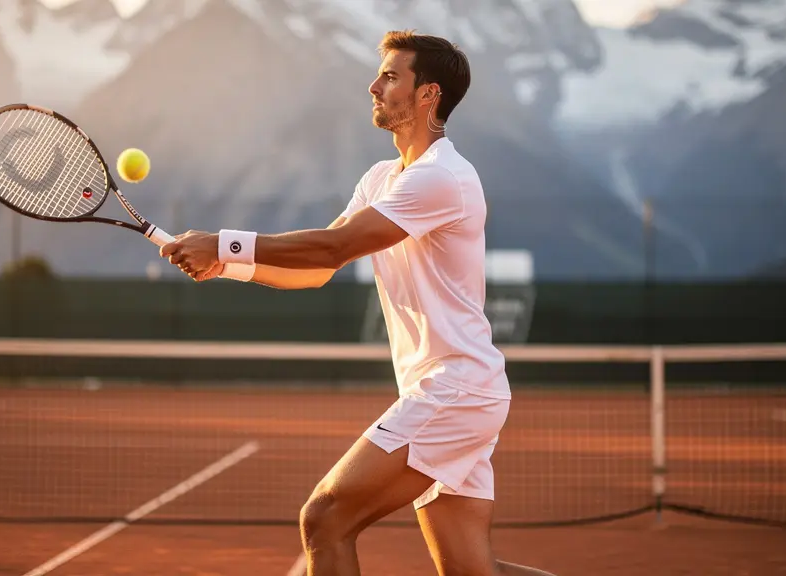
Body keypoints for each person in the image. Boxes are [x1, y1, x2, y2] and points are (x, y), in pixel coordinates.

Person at [161, 29, 556, 576]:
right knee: (470, 571)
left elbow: (335, 244)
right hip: (455, 390)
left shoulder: (443, 178)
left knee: (324, 519)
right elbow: (320, 268)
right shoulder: (380, 179)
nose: (373, 86)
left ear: (428, 95)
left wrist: (222, 241)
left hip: (456, 389)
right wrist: (225, 263)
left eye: (391, 76)